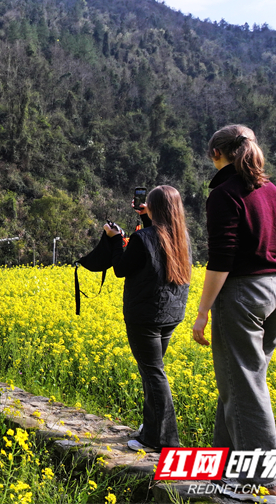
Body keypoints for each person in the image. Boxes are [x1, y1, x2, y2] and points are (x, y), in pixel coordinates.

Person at [191, 124, 276, 502]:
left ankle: (265, 485)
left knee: (244, 386)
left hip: (245, 293)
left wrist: (203, 311)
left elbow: (221, 259)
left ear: (216, 154)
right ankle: (228, 470)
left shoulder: (224, 194)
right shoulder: (272, 190)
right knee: (238, 379)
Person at [105, 185, 191, 453]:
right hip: (171, 314)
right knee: (152, 371)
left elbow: (121, 268)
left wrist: (115, 240)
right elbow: (156, 242)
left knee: (153, 374)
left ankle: (161, 440)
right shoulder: (181, 237)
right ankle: (152, 428)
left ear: (154, 207)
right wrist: (145, 217)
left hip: (145, 316)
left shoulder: (142, 239)